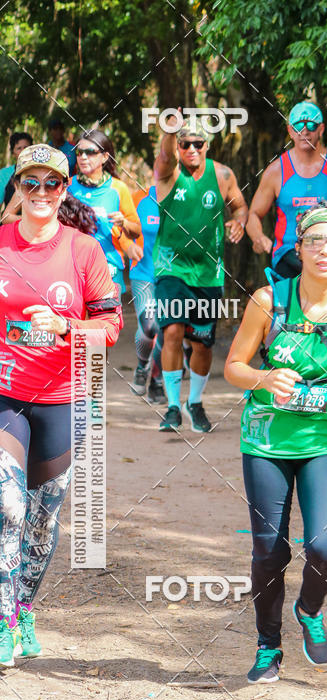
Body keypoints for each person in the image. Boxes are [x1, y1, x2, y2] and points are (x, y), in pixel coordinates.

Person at [224, 203, 327, 684]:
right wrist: (265, 377)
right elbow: (234, 367)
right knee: (269, 550)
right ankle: (268, 646)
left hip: (326, 438)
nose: (326, 250)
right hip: (267, 440)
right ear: (300, 247)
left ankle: (309, 609)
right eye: (315, 241)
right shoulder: (269, 300)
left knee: (325, 546)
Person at [0, 144, 123, 667]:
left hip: (65, 398)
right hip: (6, 396)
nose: (41, 192)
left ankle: (24, 609)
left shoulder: (83, 250)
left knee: (42, 520)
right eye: (31, 182)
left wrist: (67, 326)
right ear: (18, 188)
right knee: (8, 506)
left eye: (52, 183)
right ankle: (3, 621)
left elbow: (110, 325)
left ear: (64, 188)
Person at [153, 120, 248, 433]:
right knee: (172, 331)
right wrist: (170, 131)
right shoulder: (169, 172)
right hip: (172, 267)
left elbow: (240, 206)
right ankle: (171, 407)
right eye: (185, 144)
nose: (191, 149)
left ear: (207, 145)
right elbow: (164, 157)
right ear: (178, 147)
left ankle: (194, 402)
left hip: (209, 273)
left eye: (198, 143)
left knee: (202, 343)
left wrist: (239, 222)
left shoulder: (222, 175)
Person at [246, 101, 327, 278]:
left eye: (311, 126)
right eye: (298, 126)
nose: (304, 131)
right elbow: (253, 214)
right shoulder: (276, 171)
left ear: (321, 129)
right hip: (288, 256)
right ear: (290, 131)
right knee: (281, 290)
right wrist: (258, 237)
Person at [68, 129, 141, 301]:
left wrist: (123, 223)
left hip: (109, 267)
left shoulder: (118, 188)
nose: (83, 157)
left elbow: (136, 231)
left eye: (90, 152)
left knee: (107, 317)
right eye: (79, 152)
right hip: (73, 266)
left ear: (105, 157)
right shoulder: (68, 186)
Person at [128, 182, 165, 403]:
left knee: (167, 330)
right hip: (143, 273)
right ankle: (142, 367)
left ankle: (157, 382)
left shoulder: (187, 200)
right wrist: (127, 246)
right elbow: (121, 229)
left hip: (173, 277)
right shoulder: (138, 199)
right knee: (150, 325)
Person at [0, 132, 33, 208]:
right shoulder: (4, 174)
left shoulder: (40, 171)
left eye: (26, 147)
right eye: (19, 148)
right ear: (13, 152)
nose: (23, 151)